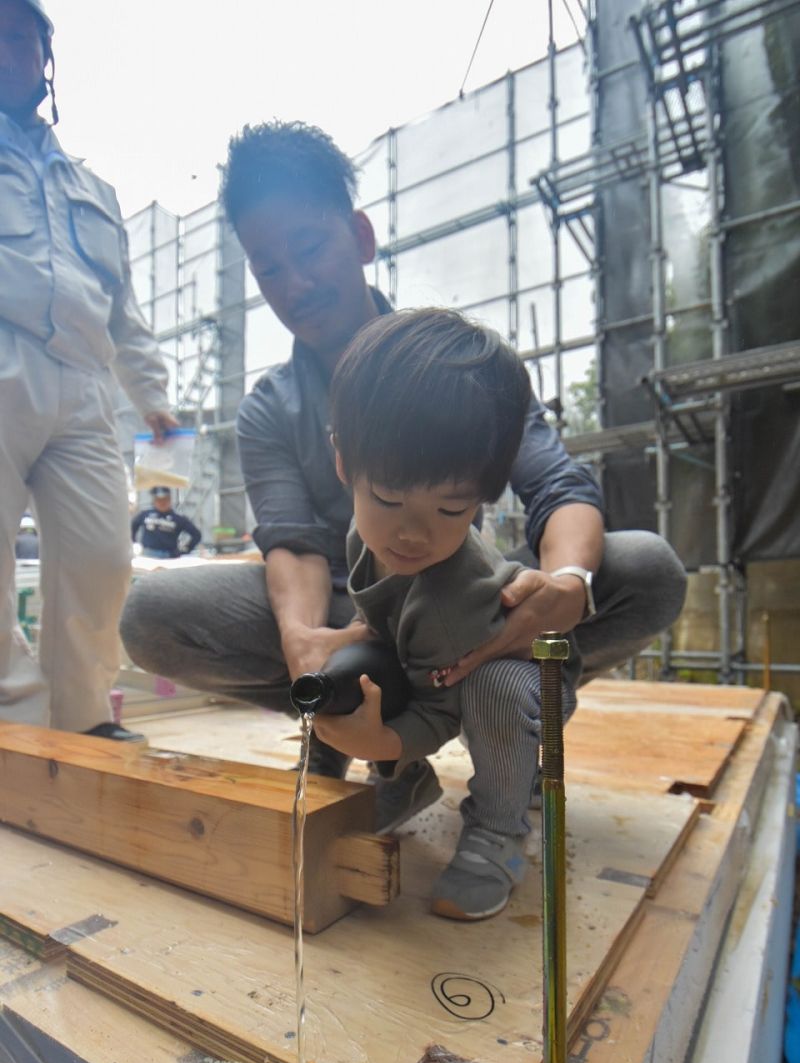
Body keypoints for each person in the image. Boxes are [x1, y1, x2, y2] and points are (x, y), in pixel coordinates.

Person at [120, 121, 686, 813]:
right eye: (268, 267)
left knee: (645, 571)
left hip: (464, 602)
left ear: (359, 236)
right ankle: (343, 716)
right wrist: (304, 641)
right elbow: (291, 541)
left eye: (310, 249)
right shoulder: (268, 408)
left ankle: (512, 711)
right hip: (346, 613)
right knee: (152, 614)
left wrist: (565, 584)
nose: (293, 283)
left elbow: (557, 484)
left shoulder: (455, 365)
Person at [315, 307, 566, 918]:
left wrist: (391, 740)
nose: (413, 533)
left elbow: (443, 709)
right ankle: (398, 779)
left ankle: (501, 831)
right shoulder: (363, 534)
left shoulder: (456, 596)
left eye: (452, 510)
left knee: (497, 690)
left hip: (525, 678)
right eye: (390, 498)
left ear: (484, 493)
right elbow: (382, 626)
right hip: (432, 655)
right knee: (355, 659)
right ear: (345, 462)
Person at [0, 0, 176, 741]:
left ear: (46, 59)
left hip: (84, 386)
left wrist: (155, 398)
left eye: (21, 36)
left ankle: (78, 721)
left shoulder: (92, 190)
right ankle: (11, 716)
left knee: (103, 558)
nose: (9, 49)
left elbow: (122, 309)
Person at [132, 487, 202, 559]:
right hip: (147, 554)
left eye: (165, 499)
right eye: (158, 500)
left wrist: (186, 550)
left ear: (170, 500)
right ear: (154, 500)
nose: (162, 502)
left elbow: (196, 535)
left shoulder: (178, 518)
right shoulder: (145, 514)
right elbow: (132, 527)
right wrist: (133, 544)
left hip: (168, 555)